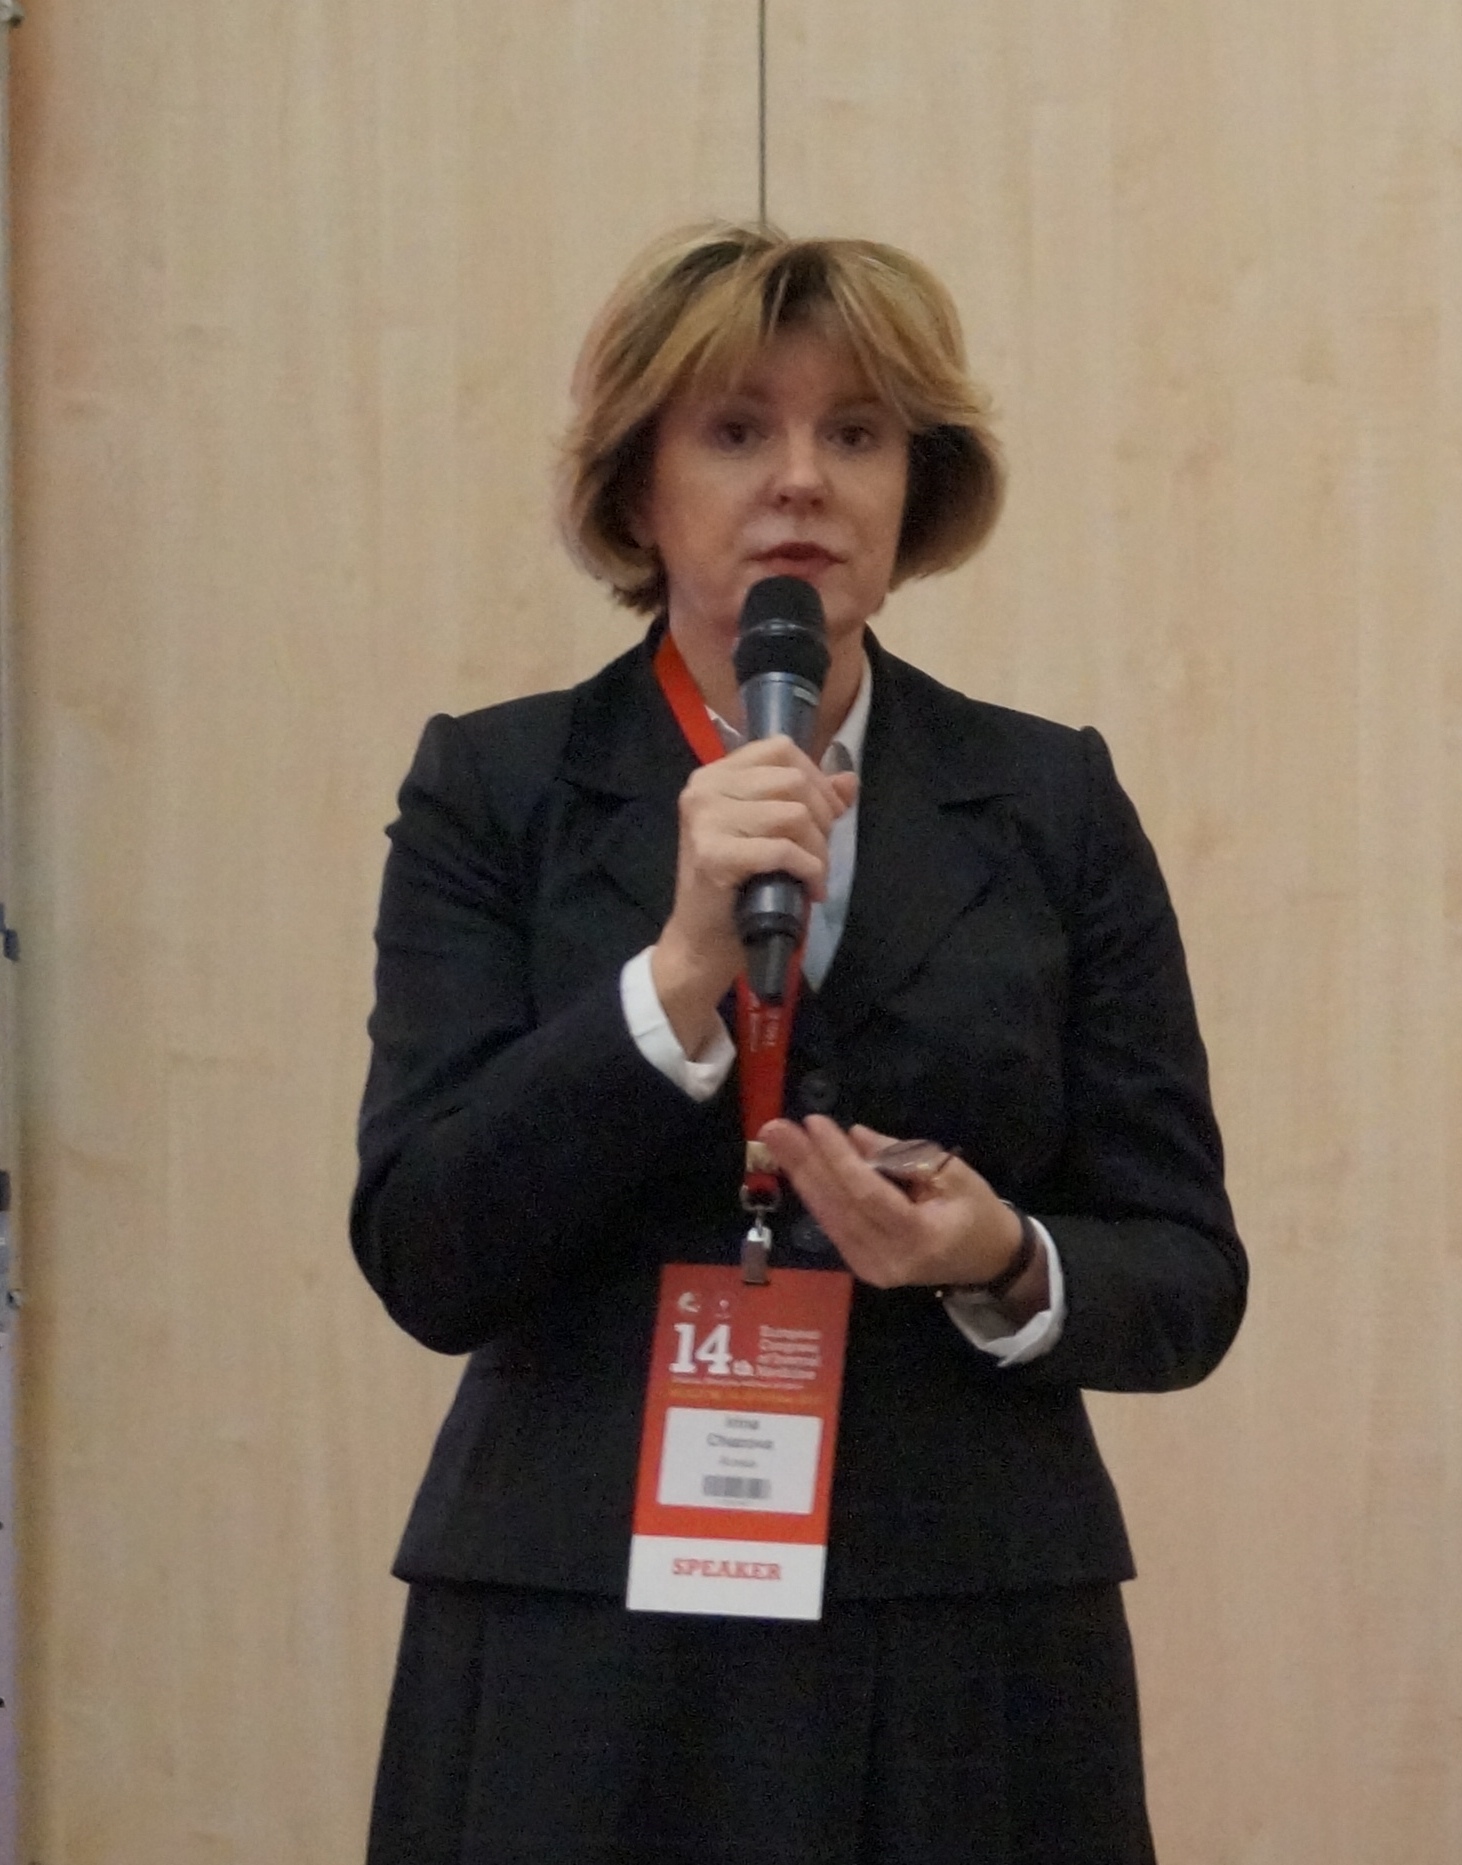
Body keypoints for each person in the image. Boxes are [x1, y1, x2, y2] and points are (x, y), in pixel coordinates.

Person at [352, 223, 1247, 1865]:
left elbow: (1187, 1269)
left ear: (917, 488)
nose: (803, 481)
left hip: (965, 1635)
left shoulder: (1048, 800)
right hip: (584, 1633)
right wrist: (677, 975)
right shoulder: (497, 790)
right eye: (736, 430)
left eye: (858, 433)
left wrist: (1002, 1256)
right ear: (639, 489)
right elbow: (425, 1247)